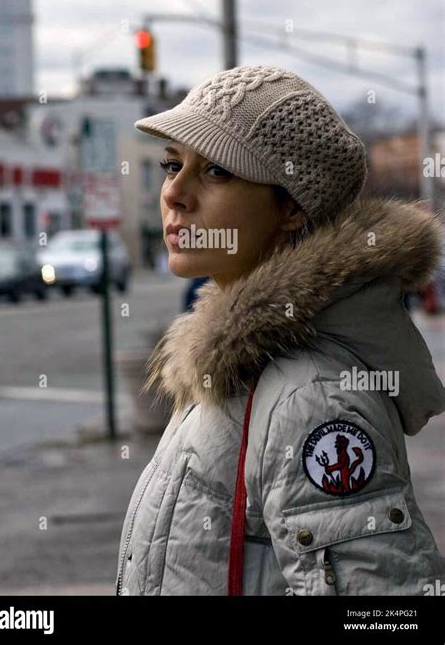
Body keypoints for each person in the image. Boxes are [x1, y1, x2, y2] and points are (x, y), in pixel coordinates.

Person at [116, 64, 445, 596]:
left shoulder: (310, 398)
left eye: (216, 171)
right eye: (172, 165)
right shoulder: (232, 366)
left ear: (291, 207)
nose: (174, 193)